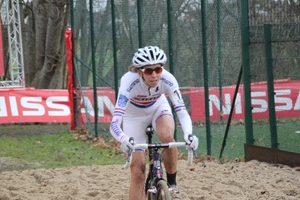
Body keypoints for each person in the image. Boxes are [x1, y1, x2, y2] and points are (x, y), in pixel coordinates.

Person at [110, 46, 199, 200]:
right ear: (139, 72)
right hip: (134, 116)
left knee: (167, 136)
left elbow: (182, 111)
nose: (154, 75)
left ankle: (172, 185)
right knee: (138, 172)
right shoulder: (128, 82)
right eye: (148, 71)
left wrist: (189, 134)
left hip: (158, 107)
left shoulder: (168, 79)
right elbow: (114, 123)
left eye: (158, 69)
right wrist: (123, 138)